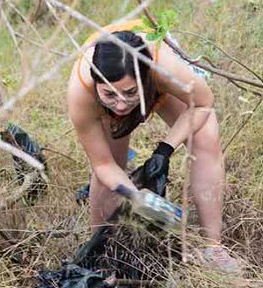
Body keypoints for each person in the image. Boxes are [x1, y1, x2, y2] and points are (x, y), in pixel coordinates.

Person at [67, 19, 238, 273]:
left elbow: (203, 102)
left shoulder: (161, 66)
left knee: (205, 137)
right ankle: (99, 253)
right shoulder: (81, 93)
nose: (122, 104)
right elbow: (103, 164)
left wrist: (165, 151)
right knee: (110, 175)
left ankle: (213, 249)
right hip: (109, 106)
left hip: (157, 83)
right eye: (110, 94)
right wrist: (138, 198)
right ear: (97, 86)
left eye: (130, 92)